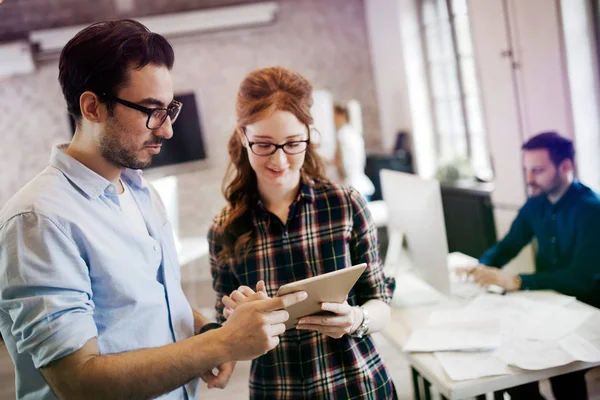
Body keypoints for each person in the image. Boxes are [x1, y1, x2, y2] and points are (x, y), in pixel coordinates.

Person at [0, 20, 306, 400]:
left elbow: (152, 303)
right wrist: (222, 344)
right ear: (92, 106)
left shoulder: (141, 191)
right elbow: (79, 383)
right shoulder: (39, 220)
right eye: (151, 110)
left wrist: (207, 330)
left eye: (169, 110)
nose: (167, 131)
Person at [208, 66, 397, 399]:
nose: (279, 161)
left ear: (309, 136)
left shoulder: (345, 204)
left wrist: (356, 318)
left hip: (358, 386)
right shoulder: (224, 229)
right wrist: (235, 321)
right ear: (242, 137)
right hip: (278, 390)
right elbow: (224, 331)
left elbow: (380, 304)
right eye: (264, 145)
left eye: (293, 144)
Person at [462, 131, 600, 400]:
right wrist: (482, 267)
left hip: (585, 307)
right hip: (550, 300)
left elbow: (581, 280)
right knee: (508, 358)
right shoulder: (536, 203)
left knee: (559, 371)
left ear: (566, 167)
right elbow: (508, 245)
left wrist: (518, 281)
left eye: (538, 170)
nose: (528, 179)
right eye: (527, 169)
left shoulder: (590, 209)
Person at [333, 104, 375, 200]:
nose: (333, 119)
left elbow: (341, 162)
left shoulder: (342, 135)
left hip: (352, 186)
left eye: (334, 115)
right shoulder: (354, 133)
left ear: (341, 115)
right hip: (361, 185)